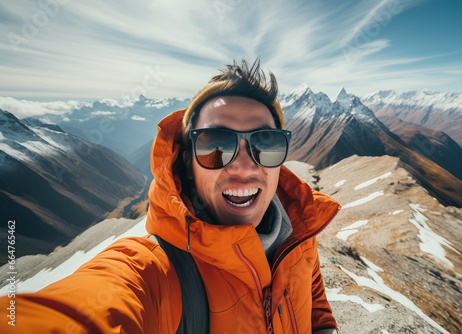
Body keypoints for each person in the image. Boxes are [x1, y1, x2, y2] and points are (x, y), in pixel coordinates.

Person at [0, 59, 341, 333]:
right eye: (215, 146)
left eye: (264, 143)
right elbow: (81, 311)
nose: (243, 167)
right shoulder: (155, 272)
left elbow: (313, 304)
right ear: (187, 163)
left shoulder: (297, 237)